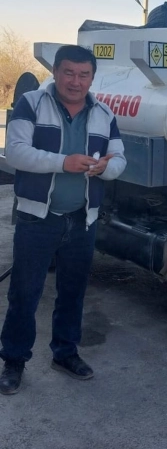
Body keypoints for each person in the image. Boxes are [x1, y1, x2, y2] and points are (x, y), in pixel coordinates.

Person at [0, 44, 127, 395]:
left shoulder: (103, 113)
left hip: (82, 219)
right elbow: (15, 152)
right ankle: (13, 360)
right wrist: (63, 162)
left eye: (84, 74)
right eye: (69, 72)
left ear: (92, 78)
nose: (76, 81)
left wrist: (105, 169)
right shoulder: (31, 104)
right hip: (37, 218)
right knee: (25, 293)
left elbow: (119, 158)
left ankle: (65, 353)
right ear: (55, 72)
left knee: (73, 292)